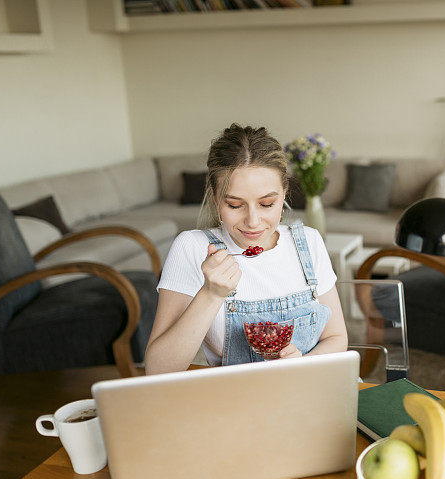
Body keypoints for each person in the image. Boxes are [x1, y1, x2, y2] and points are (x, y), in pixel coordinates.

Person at [145, 124, 347, 374]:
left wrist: (301, 364)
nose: (252, 221)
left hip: (308, 387)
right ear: (216, 198)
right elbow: (158, 370)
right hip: (234, 400)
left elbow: (337, 338)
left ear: (284, 194)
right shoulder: (193, 248)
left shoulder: (308, 242)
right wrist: (211, 294)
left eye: (267, 203)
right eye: (234, 205)